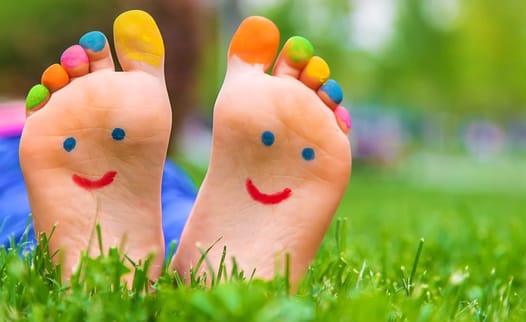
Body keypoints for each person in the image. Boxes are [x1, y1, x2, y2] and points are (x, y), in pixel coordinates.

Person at [6, 10, 353, 287]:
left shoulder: (48, 119)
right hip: (153, 171)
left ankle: (97, 270)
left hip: (37, 154)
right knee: (175, 207)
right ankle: (212, 260)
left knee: (17, 206)